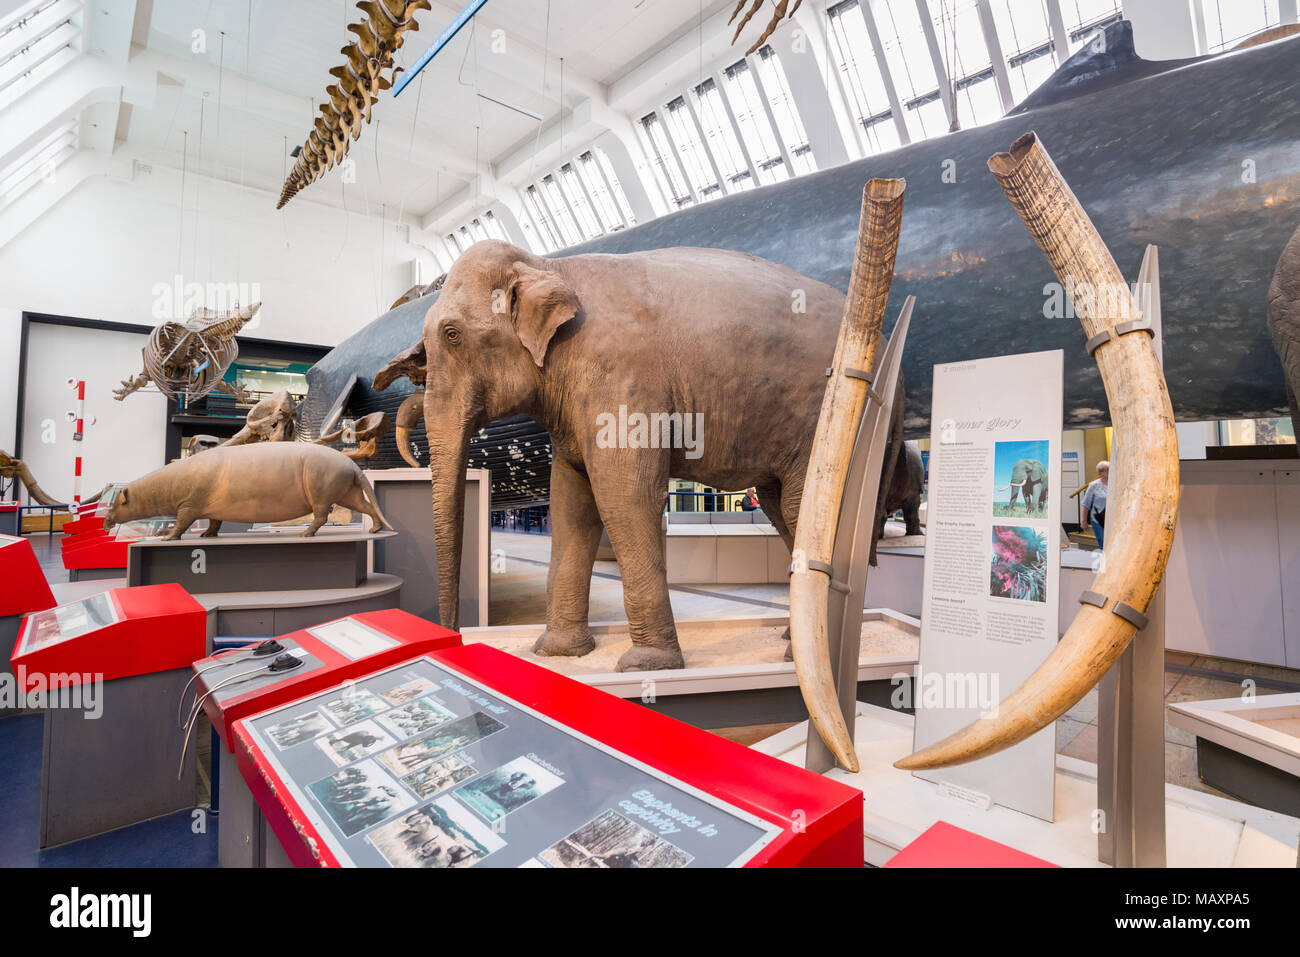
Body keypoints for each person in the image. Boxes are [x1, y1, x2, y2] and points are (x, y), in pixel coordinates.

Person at [1080, 460, 1109, 549]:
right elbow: (1086, 504)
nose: (1110, 472)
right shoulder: (1094, 485)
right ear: (1101, 472)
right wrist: (1084, 521)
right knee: (1104, 545)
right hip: (1098, 519)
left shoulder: (1115, 484)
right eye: (1107, 470)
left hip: (1112, 519)